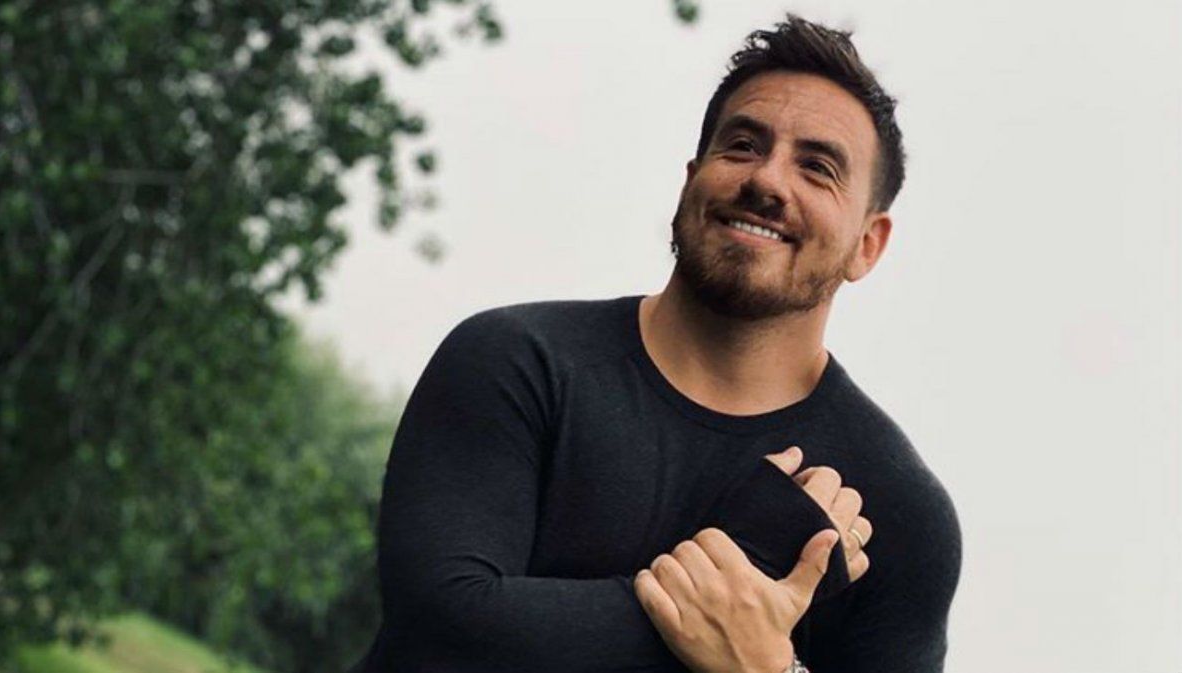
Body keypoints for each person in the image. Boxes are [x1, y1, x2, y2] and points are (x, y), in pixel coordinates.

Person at [350, 14, 962, 673]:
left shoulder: (898, 512)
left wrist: (768, 666)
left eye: (817, 168)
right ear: (691, 179)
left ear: (868, 244)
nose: (767, 181)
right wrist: (748, 564)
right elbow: (440, 636)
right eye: (742, 146)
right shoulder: (516, 362)